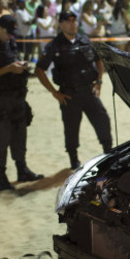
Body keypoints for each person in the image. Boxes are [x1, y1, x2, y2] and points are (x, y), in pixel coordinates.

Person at [35, 11, 112, 169]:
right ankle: (73, 160)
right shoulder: (55, 45)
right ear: (61, 24)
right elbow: (39, 70)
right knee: (71, 128)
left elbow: (99, 60)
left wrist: (99, 81)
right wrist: (54, 92)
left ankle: (108, 153)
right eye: (68, 21)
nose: (72, 24)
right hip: (69, 94)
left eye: (74, 20)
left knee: (103, 121)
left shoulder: (84, 40)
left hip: (89, 91)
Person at [0, 15, 43, 190]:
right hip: (1, 100)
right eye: (7, 32)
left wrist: (21, 66)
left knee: (20, 135)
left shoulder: (10, 43)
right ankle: (1, 176)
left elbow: (13, 62)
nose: (10, 36)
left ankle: (22, 169)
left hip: (17, 97)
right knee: (2, 139)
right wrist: (9, 69)